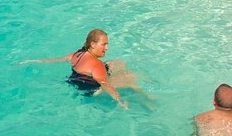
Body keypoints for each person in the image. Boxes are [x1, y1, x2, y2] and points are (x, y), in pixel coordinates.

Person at [20, 29, 149, 108]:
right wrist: (120, 101)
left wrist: (32, 61)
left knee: (116, 63)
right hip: (93, 91)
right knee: (131, 76)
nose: (107, 48)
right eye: (104, 44)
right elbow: (105, 84)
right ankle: (147, 98)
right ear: (93, 44)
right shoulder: (97, 64)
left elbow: (55, 60)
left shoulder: (77, 54)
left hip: (77, 83)